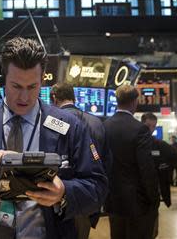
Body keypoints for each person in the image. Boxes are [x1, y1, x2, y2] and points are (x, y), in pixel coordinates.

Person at [0, 37, 108, 239]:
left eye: (32, 87)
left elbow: (98, 187)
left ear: (43, 79)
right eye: (16, 86)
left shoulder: (69, 126)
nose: (24, 98)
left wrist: (64, 192)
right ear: (2, 80)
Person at [50, 82, 110, 239]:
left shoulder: (51, 122)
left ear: (54, 98)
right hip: (89, 199)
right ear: (74, 97)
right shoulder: (97, 122)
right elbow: (107, 165)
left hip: (60, 199)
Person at [104, 85, 159, 239]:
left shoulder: (104, 126)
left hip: (113, 199)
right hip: (137, 202)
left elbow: (97, 159)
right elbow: (146, 167)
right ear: (135, 102)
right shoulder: (140, 129)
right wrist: (154, 199)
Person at [141, 112, 177, 238]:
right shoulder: (133, 143)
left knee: (153, 231)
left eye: (153, 126)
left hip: (153, 196)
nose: (150, 129)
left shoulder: (160, 145)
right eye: (147, 126)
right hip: (136, 196)